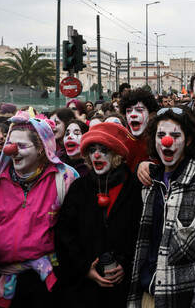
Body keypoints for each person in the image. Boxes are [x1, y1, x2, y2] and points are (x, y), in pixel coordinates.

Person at [127, 107, 195, 307]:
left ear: (188, 140)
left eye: (175, 135)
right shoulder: (149, 184)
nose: (167, 141)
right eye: (161, 135)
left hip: (181, 300)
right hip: (147, 294)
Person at [0, 111, 79, 307]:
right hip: (3, 276)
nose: (11, 150)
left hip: (46, 277)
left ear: (42, 149)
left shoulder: (65, 178)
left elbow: (75, 230)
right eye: (11, 144)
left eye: (22, 146)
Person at [55, 122, 142, 308]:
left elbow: (141, 234)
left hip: (124, 290)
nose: (96, 155)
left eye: (104, 150)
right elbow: (65, 234)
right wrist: (85, 268)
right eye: (92, 149)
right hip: (85, 291)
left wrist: (126, 265)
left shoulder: (136, 188)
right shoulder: (79, 188)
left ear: (118, 154)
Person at [119, 88, 160, 172]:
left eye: (139, 110)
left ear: (150, 113)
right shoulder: (121, 142)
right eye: (129, 111)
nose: (133, 115)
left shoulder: (159, 138)